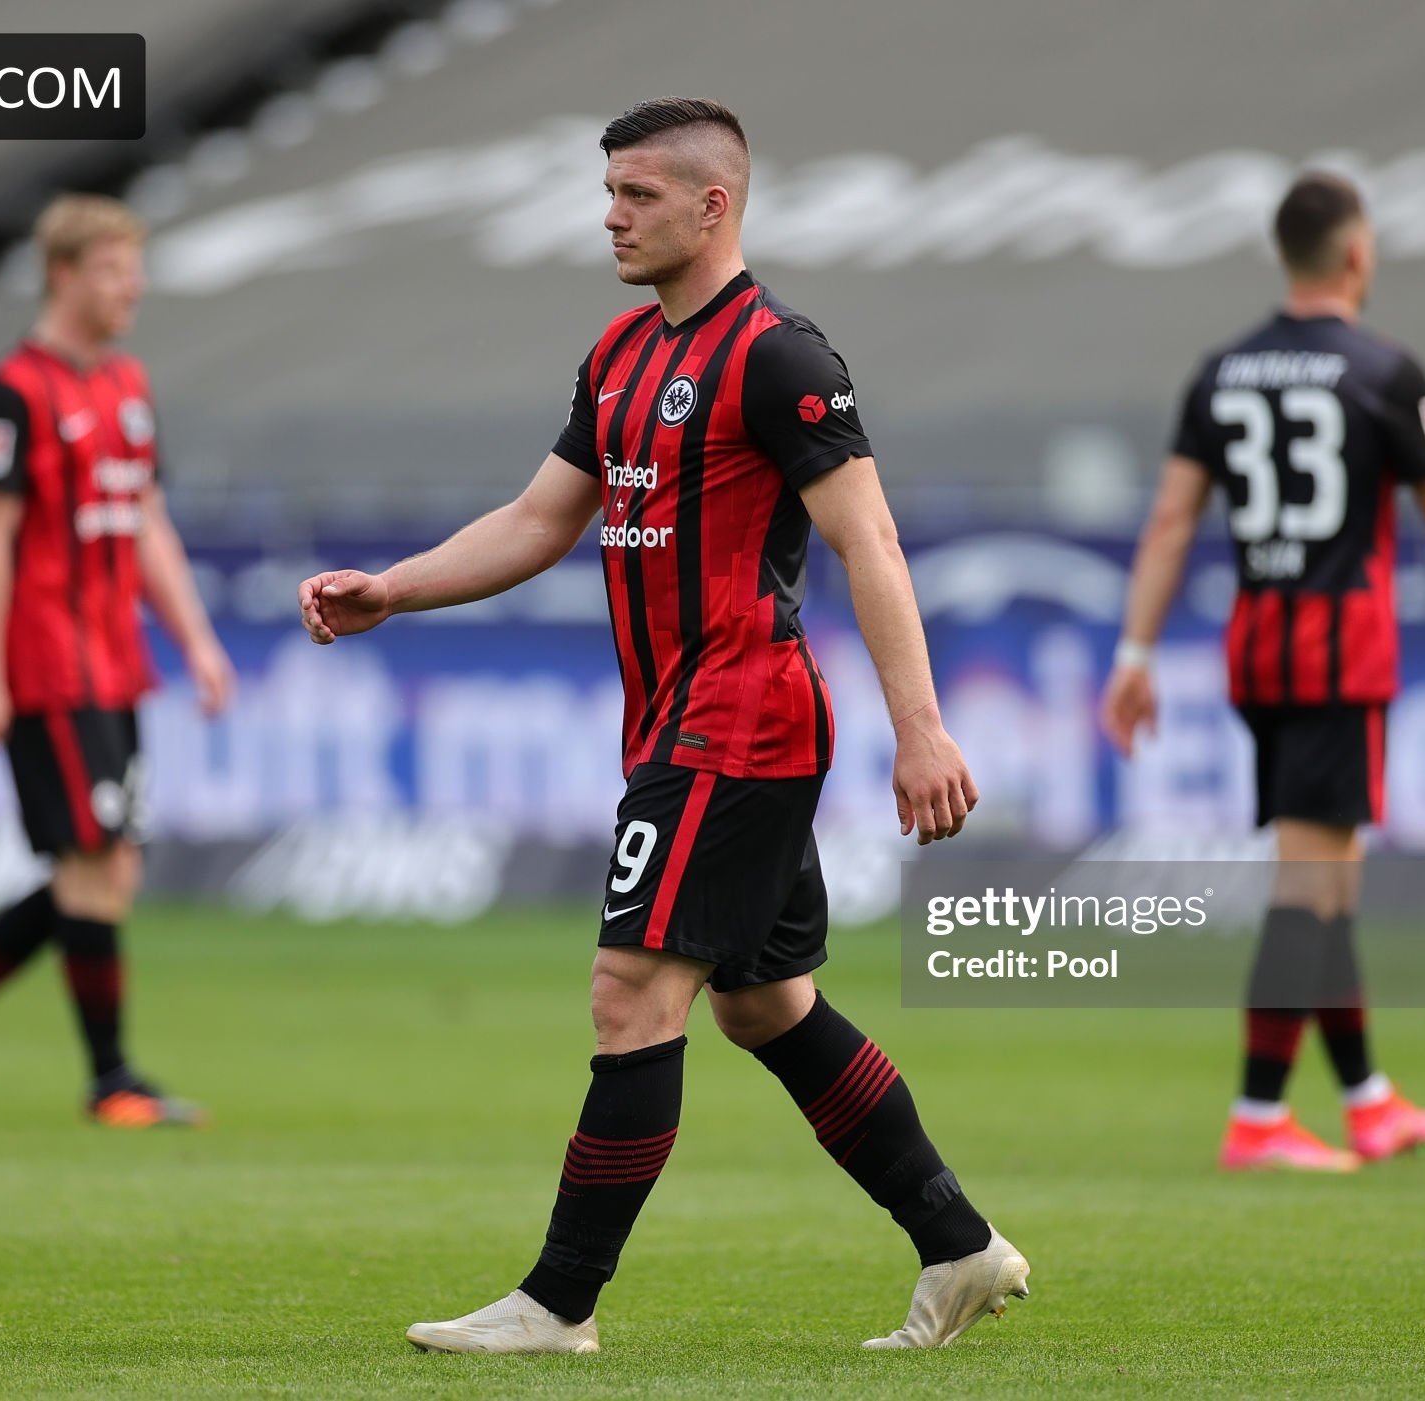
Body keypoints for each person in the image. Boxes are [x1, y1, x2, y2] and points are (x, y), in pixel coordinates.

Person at [300, 97, 1028, 1353]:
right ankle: (958, 1245)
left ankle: (557, 1304)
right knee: (764, 1005)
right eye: (609, 193)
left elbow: (868, 539)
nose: (611, 217)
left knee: (629, 992)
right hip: (678, 724)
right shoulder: (620, 355)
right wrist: (395, 589)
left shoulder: (780, 358)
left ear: (712, 204)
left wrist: (920, 728)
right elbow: (539, 520)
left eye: (636, 195)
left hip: (736, 722)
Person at [1099, 172, 1425, 1172]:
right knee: (1309, 883)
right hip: (1339, 655)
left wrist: (1134, 652)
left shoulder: (1222, 372)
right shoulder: (1384, 371)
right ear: (1354, 253)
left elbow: (1170, 519)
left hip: (1258, 649)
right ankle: (1258, 1115)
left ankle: (1365, 1099)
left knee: (1332, 880)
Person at [0, 194, 234, 1129]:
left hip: (115, 661)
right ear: (63, 275)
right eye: (114, 271)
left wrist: (195, 639)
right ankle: (110, 1079)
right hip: (45, 660)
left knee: (108, 871)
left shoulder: (127, 385)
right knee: (95, 863)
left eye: (135, 271)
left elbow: (146, 521)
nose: (132, 288)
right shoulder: (12, 392)